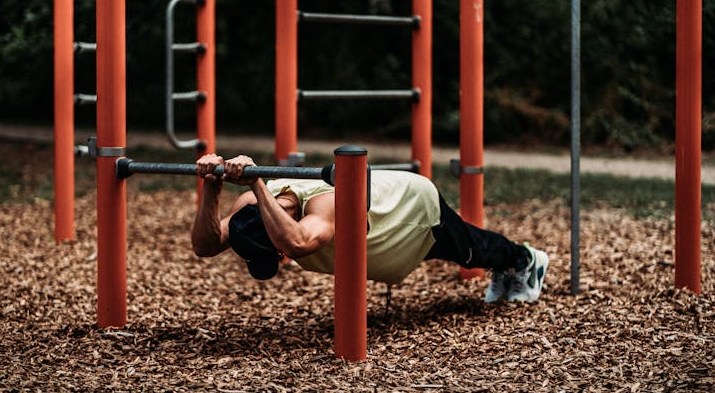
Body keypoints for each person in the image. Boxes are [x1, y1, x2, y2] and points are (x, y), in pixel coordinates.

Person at [191, 154, 549, 303]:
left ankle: (525, 260)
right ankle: (511, 263)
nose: (283, 259)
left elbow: (298, 242)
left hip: (409, 212)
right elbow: (206, 246)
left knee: (471, 250)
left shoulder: (322, 205)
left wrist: (255, 182)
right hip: (385, 238)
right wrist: (211, 186)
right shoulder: (251, 209)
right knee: (469, 249)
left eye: (277, 254)